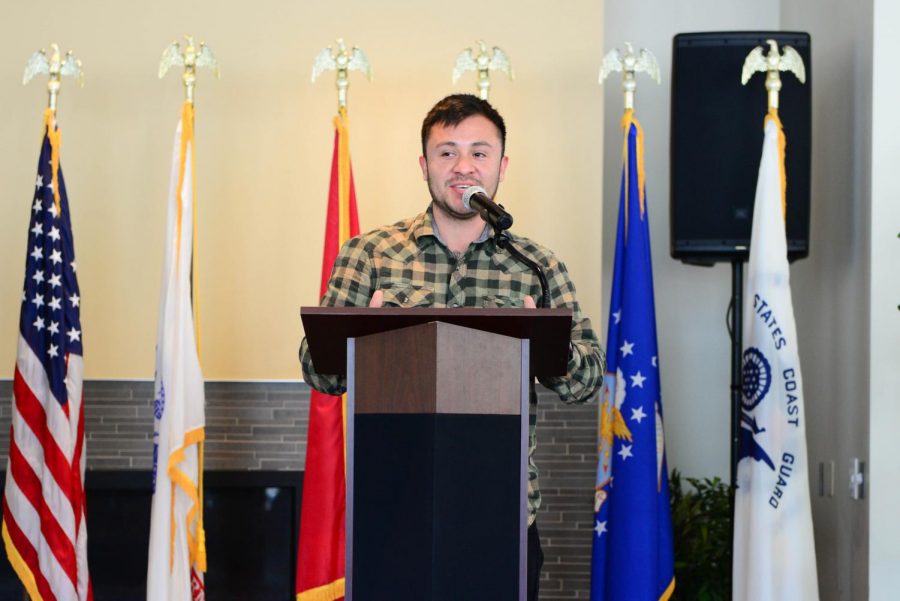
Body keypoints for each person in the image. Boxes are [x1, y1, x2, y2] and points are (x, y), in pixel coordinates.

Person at [300, 93, 605, 600]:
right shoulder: (369, 254)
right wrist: (364, 335)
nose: (463, 166)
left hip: (501, 513)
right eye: (447, 152)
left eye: (479, 152)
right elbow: (320, 371)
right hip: (392, 513)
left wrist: (547, 342)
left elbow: (587, 380)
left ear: (502, 166)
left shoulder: (535, 266)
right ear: (424, 165)